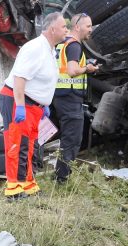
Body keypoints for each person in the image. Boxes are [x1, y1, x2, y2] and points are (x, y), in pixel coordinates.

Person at [0, 12, 69, 200]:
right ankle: (14, 189)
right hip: (18, 100)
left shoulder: (49, 49)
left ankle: (27, 185)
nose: (66, 30)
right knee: (17, 144)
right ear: (52, 29)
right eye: (64, 27)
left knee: (29, 146)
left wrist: (42, 103)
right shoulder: (35, 47)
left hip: (32, 105)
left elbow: (40, 79)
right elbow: (19, 77)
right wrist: (20, 105)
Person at [52, 13, 98, 183]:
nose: (90, 30)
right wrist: (87, 68)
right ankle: (61, 178)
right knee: (72, 139)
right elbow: (72, 71)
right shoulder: (74, 46)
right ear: (77, 27)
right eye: (88, 26)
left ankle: (58, 173)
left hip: (59, 95)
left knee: (65, 136)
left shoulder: (61, 43)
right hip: (70, 97)